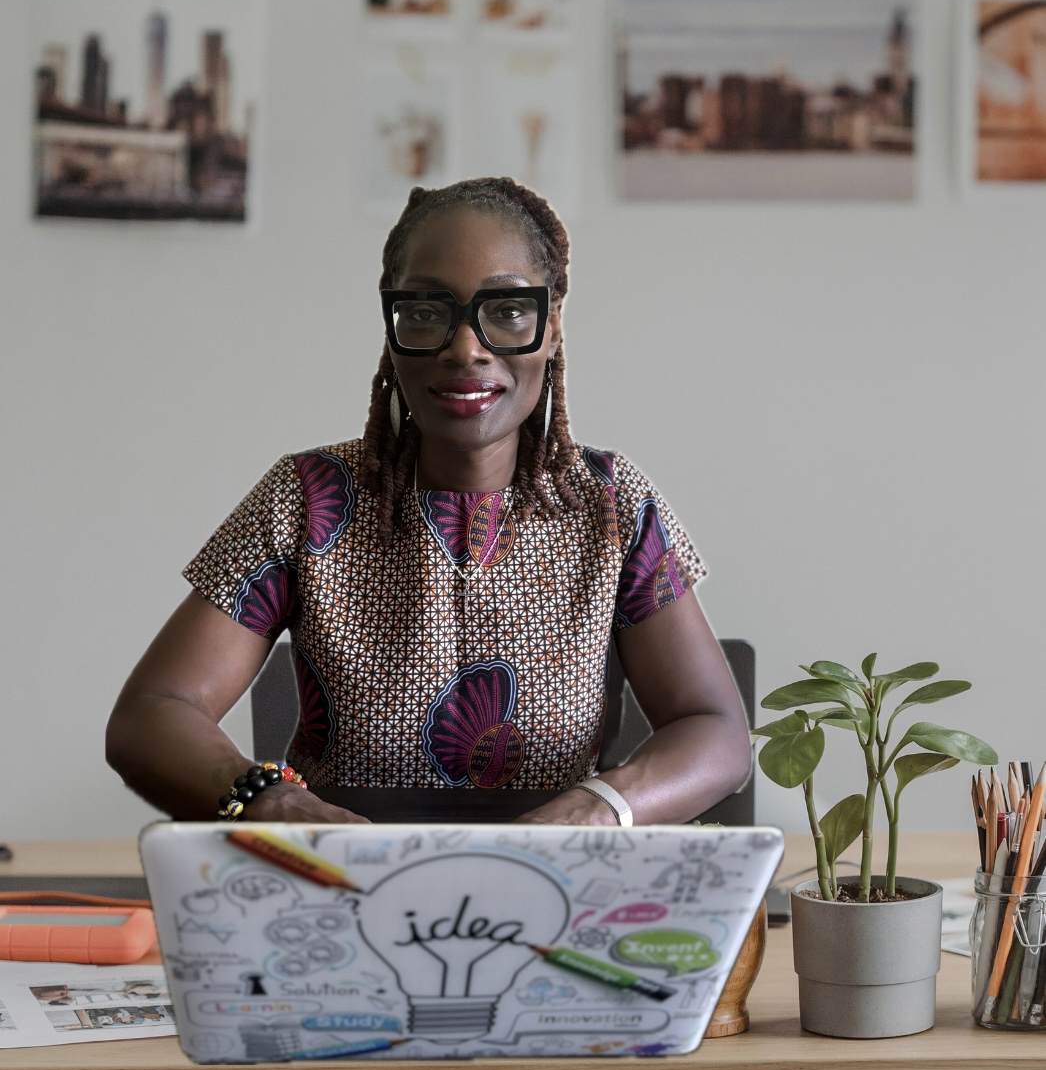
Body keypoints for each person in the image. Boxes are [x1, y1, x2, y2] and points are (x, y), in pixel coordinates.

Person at [107, 178, 751, 827]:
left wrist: (604, 805)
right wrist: (271, 798)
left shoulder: (611, 504)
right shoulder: (307, 498)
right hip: (341, 883)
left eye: (505, 310)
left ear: (551, 326)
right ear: (392, 329)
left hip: (558, 881)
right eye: (425, 311)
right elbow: (151, 712)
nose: (465, 347)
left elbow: (717, 731)